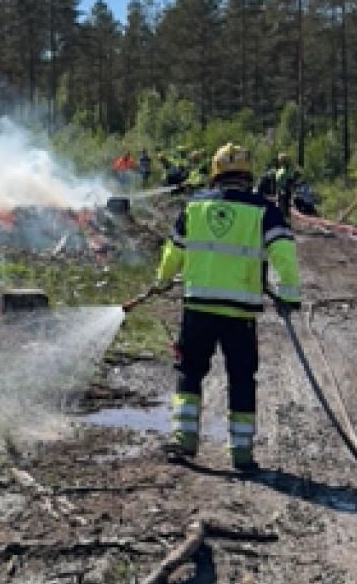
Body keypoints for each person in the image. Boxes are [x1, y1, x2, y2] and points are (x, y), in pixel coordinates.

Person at [124, 143, 300, 472]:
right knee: (242, 378)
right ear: (248, 175)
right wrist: (289, 295)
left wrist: (162, 281)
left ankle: (183, 439)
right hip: (241, 313)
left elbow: (173, 252)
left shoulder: (194, 207)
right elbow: (284, 254)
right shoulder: (264, 209)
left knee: (189, 372)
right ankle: (242, 453)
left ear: (215, 174)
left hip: (198, 309)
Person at [274, 153, 300, 224]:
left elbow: (290, 181)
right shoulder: (283, 170)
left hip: (284, 190)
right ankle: (283, 221)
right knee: (282, 207)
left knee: (284, 207)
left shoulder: (286, 170)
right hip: (282, 191)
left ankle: (285, 221)